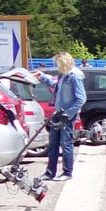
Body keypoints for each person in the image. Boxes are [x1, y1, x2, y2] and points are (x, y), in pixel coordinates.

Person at [34, 52, 85, 182]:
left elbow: (81, 98)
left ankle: (67, 173)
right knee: (53, 144)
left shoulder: (74, 76)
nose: (57, 66)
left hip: (67, 115)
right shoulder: (63, 74)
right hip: (58, 113)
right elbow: (55, 87)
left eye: (58, 64)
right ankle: (50, 173)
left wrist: (68, 114)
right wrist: (43, 77)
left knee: (66, 143)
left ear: (64, 63)